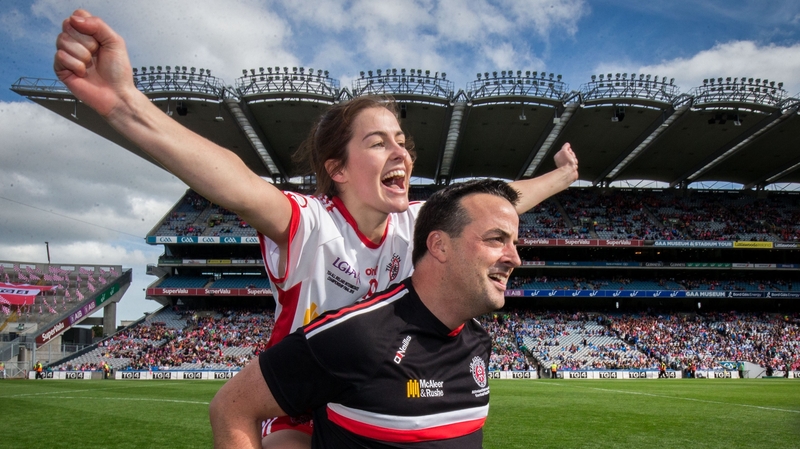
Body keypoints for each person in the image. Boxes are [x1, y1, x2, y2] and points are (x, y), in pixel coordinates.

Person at [54, 9, 578, 447]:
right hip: (298, 407)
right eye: (378, 142)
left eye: (402, 141)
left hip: (376, 394)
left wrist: (561, 177)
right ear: (338, 169)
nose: (401, 152)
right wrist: (124, 103)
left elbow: (499, 202)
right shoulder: (309, 224)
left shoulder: (417, 223)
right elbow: (231, 178)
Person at [209, 179, 522, 448]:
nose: (515, 258)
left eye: (514, 243)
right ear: (439, 245)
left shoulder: (479, 341)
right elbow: (232, 407)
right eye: (497, 239)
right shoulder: (360, 336)